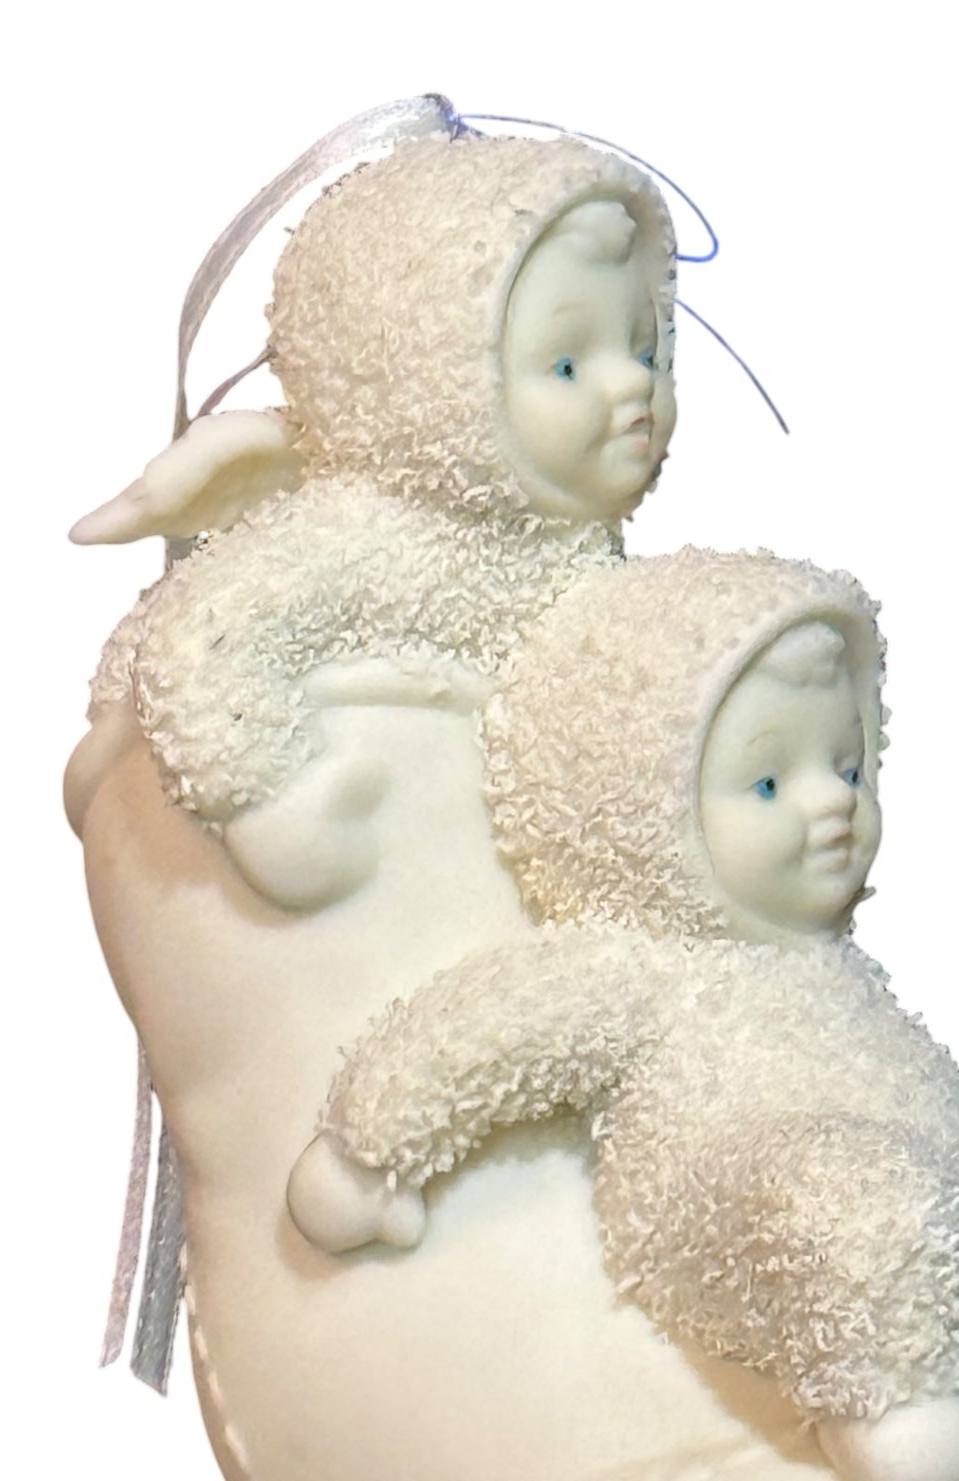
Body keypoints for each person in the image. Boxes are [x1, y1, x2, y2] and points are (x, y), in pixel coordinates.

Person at [288, 549, 959, 1481]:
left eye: (849, 766)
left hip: (932, 1173)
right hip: (745, 1203)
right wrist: (368, 1151)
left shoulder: (844, 977)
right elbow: (485, 1033)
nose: (836, 801)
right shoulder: (637, 969)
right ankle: (891, 1409)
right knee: (861, 1204)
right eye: (769, 784)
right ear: (640, 808)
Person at [71, 130, 678, 908]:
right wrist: (269, 811)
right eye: (565, 364)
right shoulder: (370, 541)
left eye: (647, 353)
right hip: (290, 902)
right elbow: (200, 644)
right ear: (427, 378)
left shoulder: (583, 553)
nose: (633, 386)